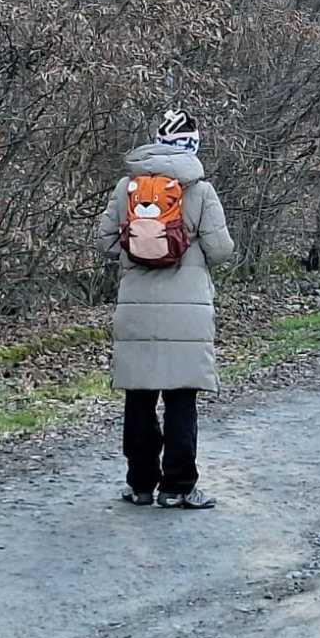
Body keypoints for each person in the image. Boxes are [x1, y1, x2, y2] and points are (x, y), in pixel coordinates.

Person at [97, 110, 237, 510]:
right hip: (187, 310)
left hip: (136, 308)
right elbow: (222, 250)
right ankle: (178, 487)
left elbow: (105, 241)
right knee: (180, 400)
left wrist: (136, 251)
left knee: (139, 398)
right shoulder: (200, 191)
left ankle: (140, 484)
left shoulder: (127, 188)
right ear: (193, 145)